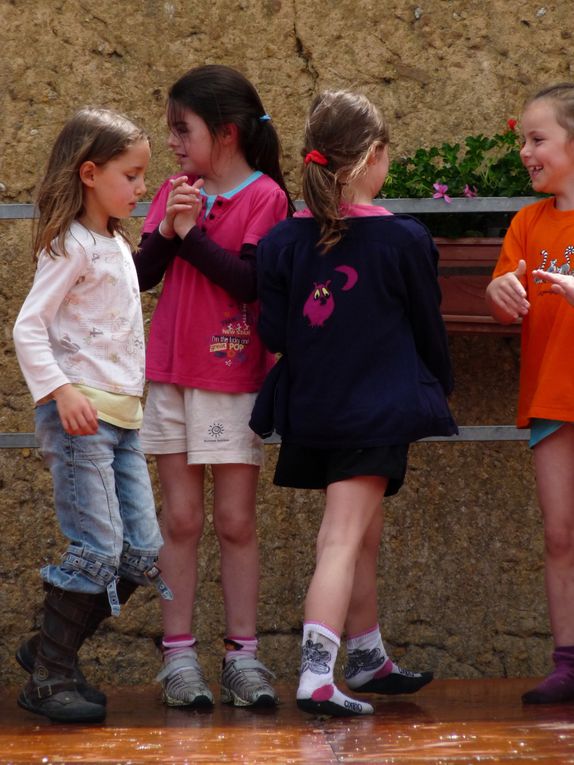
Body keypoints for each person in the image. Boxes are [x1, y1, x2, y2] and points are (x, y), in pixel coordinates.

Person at [252, 90, 457, 717]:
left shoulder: (284, 240)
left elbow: (276, 335)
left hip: (316, 409)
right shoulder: (403, 239)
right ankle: (317, 675)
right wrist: (437, 386)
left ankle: (367, 657)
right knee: (341, 538)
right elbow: (428, 323)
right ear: (374, 157)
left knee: (361, 534)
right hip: (374, 408)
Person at [132, 64, 294, 709]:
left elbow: (248, 282)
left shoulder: (267, 198)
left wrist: (190, 234)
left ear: (225, 133)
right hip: (170, 372)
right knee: (180, 518)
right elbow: (141, 274)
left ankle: (242, 657)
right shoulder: (174, 188)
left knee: (233, 521)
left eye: (183, 129)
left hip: (230, 378)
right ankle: (178, 660)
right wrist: (171, 232)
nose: (172, 143)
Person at [12, 107, 168, 723]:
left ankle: (51, 648)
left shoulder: (115, 244)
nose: (139, 189)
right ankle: (49, 676)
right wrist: (60, 391)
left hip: (122, 421)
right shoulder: (69, 245)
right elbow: (29, 328)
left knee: (143, 552)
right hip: (80, 420)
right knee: (98, 547)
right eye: (131, 177)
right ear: (89, 173)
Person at [486, 82, 574, 705]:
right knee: (559, 533)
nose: (525, 151)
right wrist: (500, 296)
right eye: (524, 139)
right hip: (551, 401)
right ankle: (568, 660)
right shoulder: (526, 221)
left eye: (537, 139)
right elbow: (501, 296)